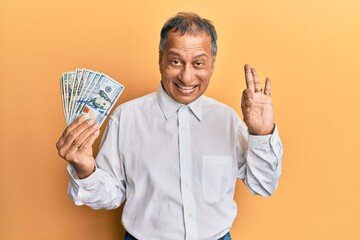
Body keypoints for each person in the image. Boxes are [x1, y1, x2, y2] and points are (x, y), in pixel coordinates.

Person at [56, 12, 283, 240]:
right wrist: (85, 169)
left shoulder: (228, 120)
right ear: (160, 59)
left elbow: (263, 185)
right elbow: (110, 196)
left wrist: (261, 134)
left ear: (212, 64)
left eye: (198, 63)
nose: (186, 76)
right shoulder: (126, 118)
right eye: (176, 61)